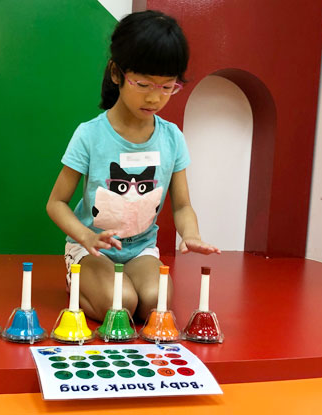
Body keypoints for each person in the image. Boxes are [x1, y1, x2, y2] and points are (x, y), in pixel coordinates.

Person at [46, 10, 220, 323]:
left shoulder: (171, 138)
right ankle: (79, 276)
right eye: (143, 84)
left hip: (140, 250)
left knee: (156, 304)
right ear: (117, 73)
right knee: (121, 304)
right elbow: (56, 204)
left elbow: (181, 206)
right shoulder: (90, 134)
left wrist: (190, 234)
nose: (154, 98)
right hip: (93, 249)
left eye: (167, 87)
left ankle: (118, 282)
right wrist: (85, 237)